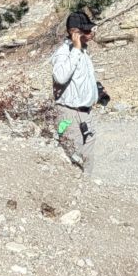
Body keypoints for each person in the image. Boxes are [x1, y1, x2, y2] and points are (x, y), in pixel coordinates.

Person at [50, 10, 100, 172]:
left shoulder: (83, 51)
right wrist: (76, 50)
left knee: (88, 154)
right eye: (86, 30)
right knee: (72, 153)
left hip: (86, 112)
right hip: (68, 114)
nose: (91, 33)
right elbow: (60, 77)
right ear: (74, 33)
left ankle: (86, 187)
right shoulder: (64, 53)